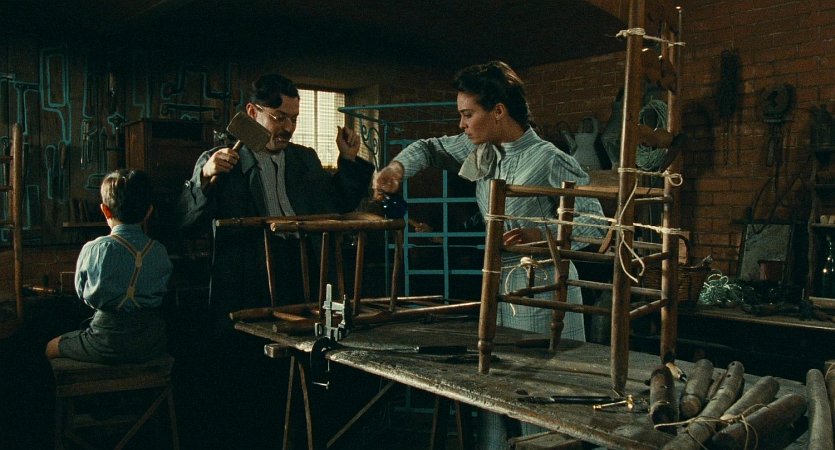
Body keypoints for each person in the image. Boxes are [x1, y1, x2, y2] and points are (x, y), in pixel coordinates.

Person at [372, 60, 606, 448]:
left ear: (498, 111)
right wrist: (396, 169)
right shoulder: (482, 148)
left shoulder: (550, 159)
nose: (462, 124)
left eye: (468, 114)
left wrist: (540, 234)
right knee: (494, 391)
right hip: (498, 287)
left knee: (537, 399)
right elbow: (429, 148)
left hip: (545, 292)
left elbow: (595, 228)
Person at [176, 73, 374, 449]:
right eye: (279, 117)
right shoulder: (224, 160)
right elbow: (186, 222)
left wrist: (348, 161)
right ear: (252, 112)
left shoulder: (304, 159)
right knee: (248, 378)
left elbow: (336, 205)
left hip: (301, 279)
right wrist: (205, 177)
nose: (288, 128)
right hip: (247, 281)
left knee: (301, 369)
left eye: (294, 119)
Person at [45, 169, 172, 363]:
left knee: (51, 347)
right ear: (149, 211)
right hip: (151, 341)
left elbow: (83, 294)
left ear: (105, 210)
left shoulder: (95, 249)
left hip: (107, 340)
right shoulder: (160, 251)